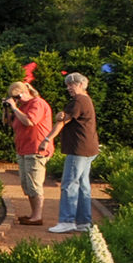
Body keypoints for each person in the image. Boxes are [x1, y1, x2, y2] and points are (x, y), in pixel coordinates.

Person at [49, 72, 99, 233]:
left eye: (71, 84)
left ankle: (67, 220)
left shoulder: (78, 100)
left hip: (79, 148)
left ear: (80, 84)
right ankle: (84, 222)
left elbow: (63, 121)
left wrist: (47, 139)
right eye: (68, 84)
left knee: (69, 184)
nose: (68, 87)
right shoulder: (86, 99)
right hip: (89, 148)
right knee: (83, 185)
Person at [1, 81, 54, 226]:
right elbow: (8, 124)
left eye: (16, 97)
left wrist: (15, 108)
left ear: (24, 92)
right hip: (24, 149)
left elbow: (30, 121)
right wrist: (7, 109)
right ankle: (33, 214)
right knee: (27, 184)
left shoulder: (38, 103)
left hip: (36, 149)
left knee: (34, 183)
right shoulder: (22, 107)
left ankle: (37, 216)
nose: (16, 101)